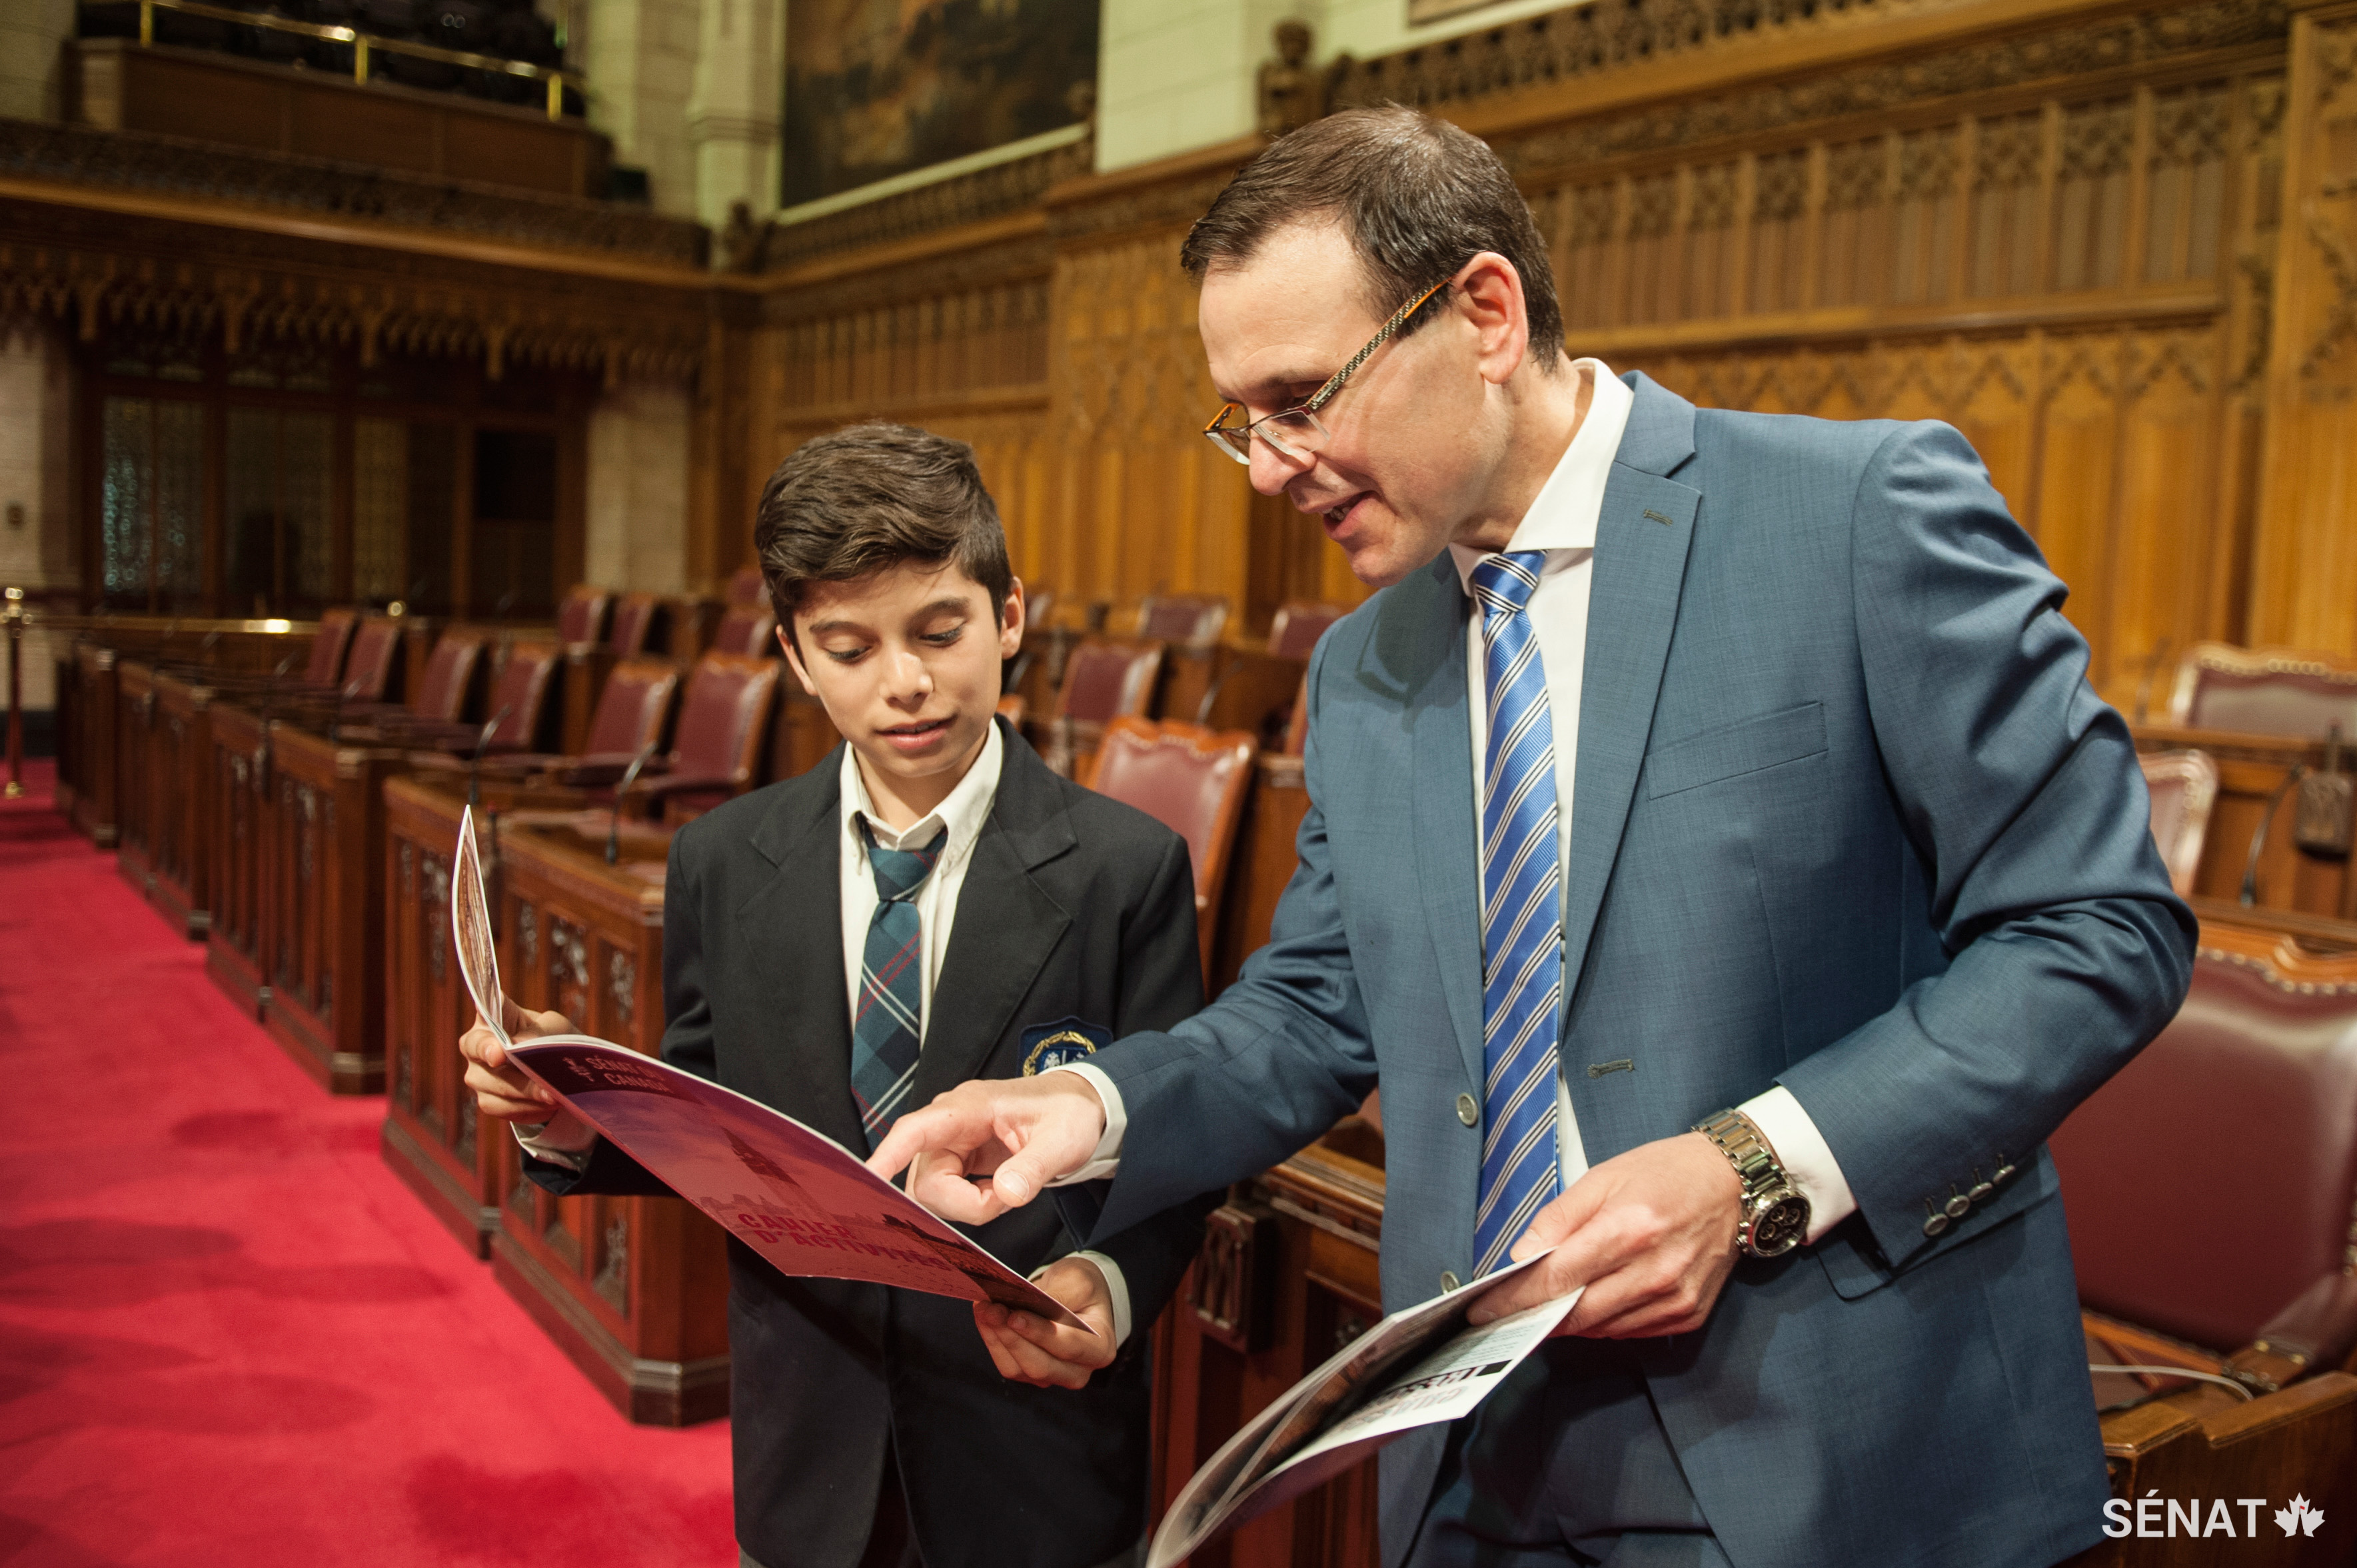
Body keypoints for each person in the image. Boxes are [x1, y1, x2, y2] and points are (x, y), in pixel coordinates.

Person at [869, 109, 2196, 1568]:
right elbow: (1319, 1007)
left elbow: (2094, 930)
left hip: (1823, 1444)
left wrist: (1751, 1168)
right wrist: (1095, 1114)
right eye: (1240, 415)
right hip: (1468, 1457)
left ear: (1483, 314)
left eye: (1301, 397)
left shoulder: (1854, 516)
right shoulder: (1363, 665)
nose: (1263, 465)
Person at [460, 422, 1216, 1568]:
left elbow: (1173, 1148)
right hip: (806, 1429)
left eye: (939, 630)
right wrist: (578, 1108)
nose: (904, 682)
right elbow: (716, 1107)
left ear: (1009, 615)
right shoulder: (724, 856)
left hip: (1028, 1439)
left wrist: (1107, 1281)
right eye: (849, 647)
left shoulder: (1125, 866)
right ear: (795, 655)